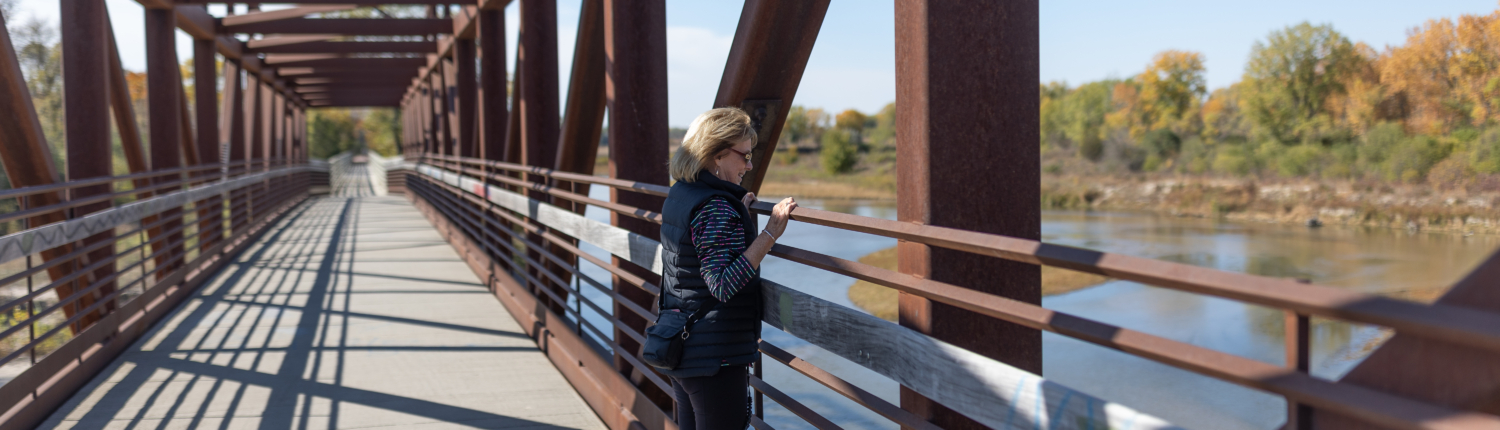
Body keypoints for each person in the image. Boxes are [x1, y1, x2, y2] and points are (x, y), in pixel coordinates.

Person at [658, 107, 797, 429]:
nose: (749, 166)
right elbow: (721, 284)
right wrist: (770, 233)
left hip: (684, 347)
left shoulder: (684, 192)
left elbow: (695, 257)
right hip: (713, 358)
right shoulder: (715, 206)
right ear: (717, 155)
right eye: (745, 156)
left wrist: (736, 214)